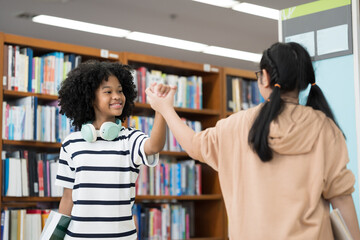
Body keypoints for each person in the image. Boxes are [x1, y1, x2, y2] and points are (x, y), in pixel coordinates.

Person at [146, 42, 360, 240]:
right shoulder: (324, 128)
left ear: (265, 77)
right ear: (304, 80)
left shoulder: (236, 125)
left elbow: (193, 145)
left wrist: (165, 108)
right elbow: (341, 198)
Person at [55, 60, 170, 239]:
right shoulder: (71, 144)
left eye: (120, 90)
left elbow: (154, 145)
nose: (117, 96)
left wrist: (161, 110)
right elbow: (68, 197)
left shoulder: (130, 139)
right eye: (108, 91)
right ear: (89, 97)